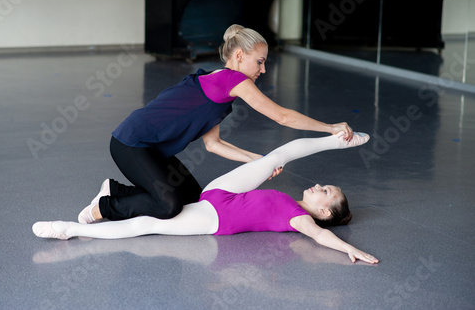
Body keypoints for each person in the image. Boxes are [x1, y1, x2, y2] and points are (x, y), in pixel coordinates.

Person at [77, 23, 355, 225]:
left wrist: (257, 160)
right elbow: (282, 116)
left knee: (193, 199)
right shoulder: (232, 81)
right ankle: (105, 207)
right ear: (238, 57)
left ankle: (115, 189)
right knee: (169, 205)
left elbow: (213, 144)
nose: (263, 70)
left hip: (153, 150)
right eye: (259, 62)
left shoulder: (221, 90)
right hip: (131, 143)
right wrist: (330, 128)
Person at [33, 131, 379, 264]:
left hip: (216, 218)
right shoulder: (293, 202)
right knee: (273, 159)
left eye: (326, 192)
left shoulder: (299, 218)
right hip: (220, 194)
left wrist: (350, 248)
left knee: (144, 225)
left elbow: (319, 235)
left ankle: (69, 229)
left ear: (323, 209)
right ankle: (337, 139)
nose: (320, 186)